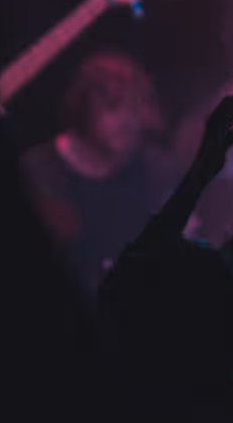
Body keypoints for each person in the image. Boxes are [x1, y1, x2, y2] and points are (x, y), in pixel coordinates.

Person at [18, 50, 172, 297]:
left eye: (134, 109)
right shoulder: (38, 174)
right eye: (113, 107)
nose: (127, 121)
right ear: (84, 108)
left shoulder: (154, 168)